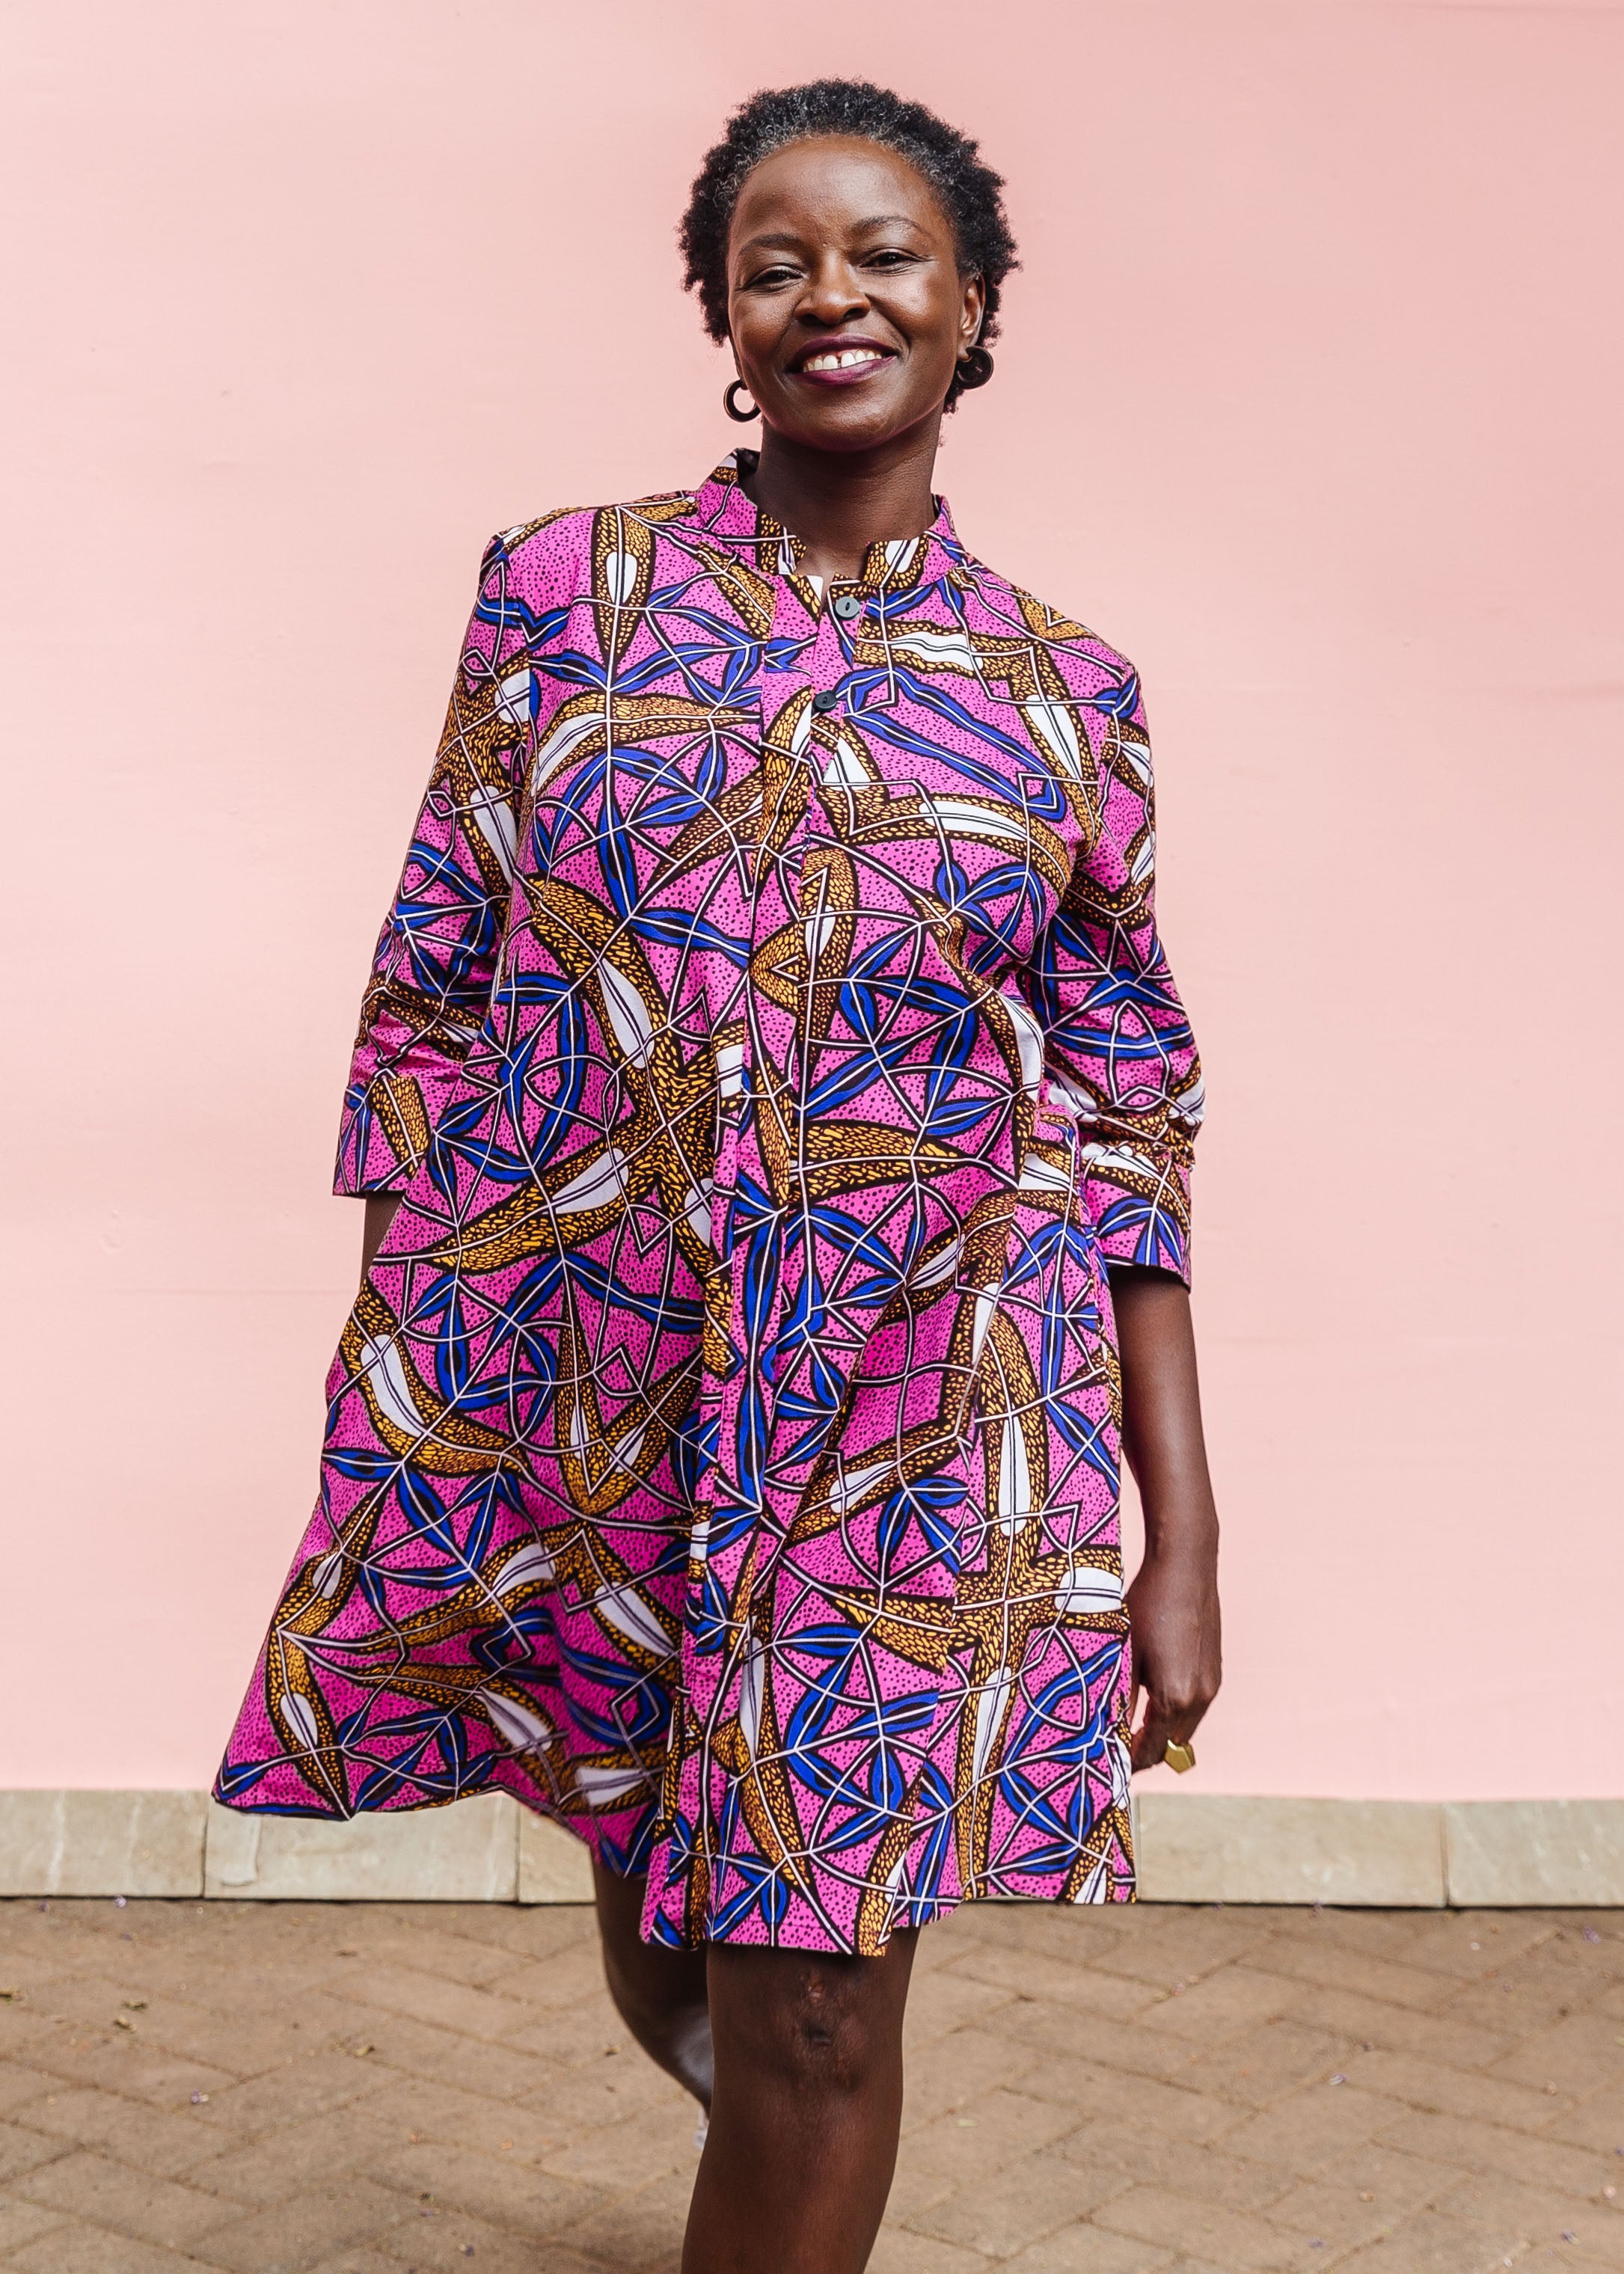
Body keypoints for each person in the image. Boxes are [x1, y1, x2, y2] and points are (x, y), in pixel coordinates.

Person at [215, 78, 1222, 2273]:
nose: (830, 295)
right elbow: (435, 976)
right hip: (592, 1387)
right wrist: (418, 1400)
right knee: (669, 1941)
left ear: (971, 313)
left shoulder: (1067, 699)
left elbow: (1130, 1102)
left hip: (911, 1412)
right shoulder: (563, 592)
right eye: (776, 265)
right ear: (724, 323)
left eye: (882, 255)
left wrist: (1181, 1530)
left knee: (822, 2018)